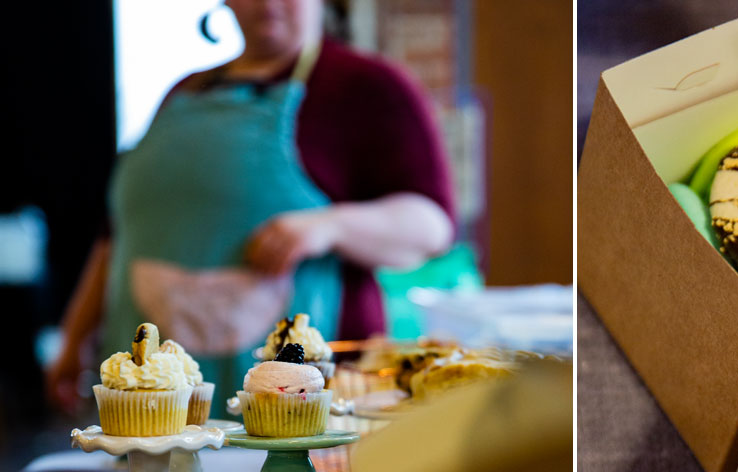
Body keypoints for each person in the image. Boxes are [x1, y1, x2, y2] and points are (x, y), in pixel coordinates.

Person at [47, 0, 455, 412]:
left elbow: (432, 225)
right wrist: (76, 338)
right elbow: (119, 233)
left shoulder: (368, 88)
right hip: (148, 402)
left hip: (308, 407)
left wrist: (329, 225)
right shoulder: (183, 92)